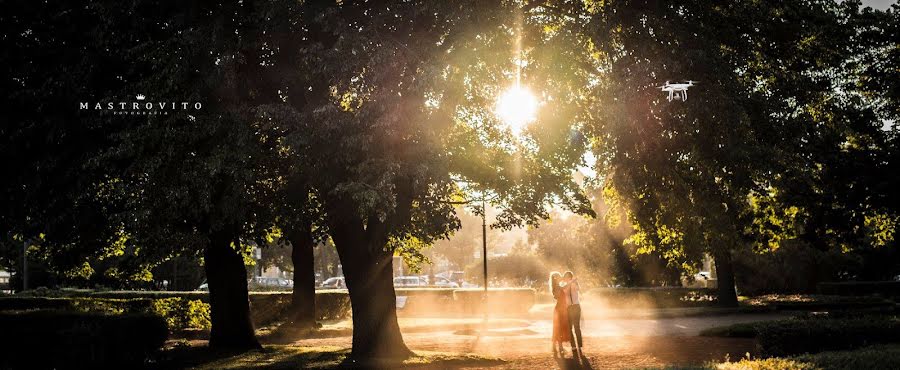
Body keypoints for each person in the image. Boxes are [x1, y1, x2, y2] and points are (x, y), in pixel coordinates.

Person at [549, 271, 571, 357]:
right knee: (558, 328)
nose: (561, 277)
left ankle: (555, 347)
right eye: (559, 276)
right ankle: (560, 348)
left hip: (562, 309)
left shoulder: (557, 286)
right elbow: (558, 295)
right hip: (559, 309)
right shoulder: (556, 287)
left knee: (558, 328)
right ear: (556, 278)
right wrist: (570, 282)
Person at [562, 271, 583, 357]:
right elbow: (564, 289)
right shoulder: (565, 285)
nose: (567, 279)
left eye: (568, 277)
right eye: (566, 277)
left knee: (577, 327)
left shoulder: (574, 284)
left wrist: (573, 282)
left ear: (570, 277)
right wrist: (571, 281)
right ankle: (573, 346)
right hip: (569, 308)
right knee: (569, 328)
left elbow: (577, 289)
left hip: (576, 307)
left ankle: (579, 346)